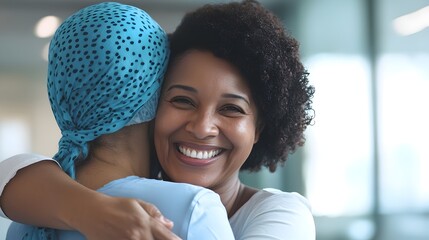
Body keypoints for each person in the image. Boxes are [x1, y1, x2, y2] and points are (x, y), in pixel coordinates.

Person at [0, 0, 316, 239]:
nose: (202, 127)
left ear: (260, 127)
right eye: (181, 100)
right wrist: (89, 210)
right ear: (150, 102)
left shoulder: (282, 214)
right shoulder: (186, 207)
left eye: (231, 108)